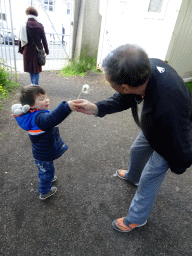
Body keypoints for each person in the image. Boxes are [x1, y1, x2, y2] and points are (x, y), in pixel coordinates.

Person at [74, 44, 192, 232]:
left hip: (173, 135)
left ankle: (137, 218)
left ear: (125, 87)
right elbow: (124, 98)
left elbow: (181, 138)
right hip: (156, 125)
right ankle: (132, 176)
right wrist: (96, 108)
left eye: (109, 81)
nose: (108, 83)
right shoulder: (144, 69)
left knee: (150, 177)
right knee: (137, 150)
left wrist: (179, 163)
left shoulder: (169, 106)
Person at [12, 85, 77, 200]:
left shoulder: (33, 113)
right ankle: (44, 192)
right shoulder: (39, 117)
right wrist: (66, 107)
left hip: (43, 150)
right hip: (43, 153)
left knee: (47, 168)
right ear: (31, 105)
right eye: (41, 99)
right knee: (45, 172)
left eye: (46, 97)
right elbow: (52, 118)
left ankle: (49, 176)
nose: (46, 100)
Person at [18, 7, 49, 85]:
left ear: (27, 14)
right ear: (35, 15)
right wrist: (46, 50)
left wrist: (21, 50)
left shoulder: (23, 25)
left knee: (30, 69)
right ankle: (34, 85)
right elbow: (44, 40)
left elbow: (20, 39)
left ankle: (33, 85)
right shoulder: (40, 25)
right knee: (36, 69)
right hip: (37, 50)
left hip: (27, 50)